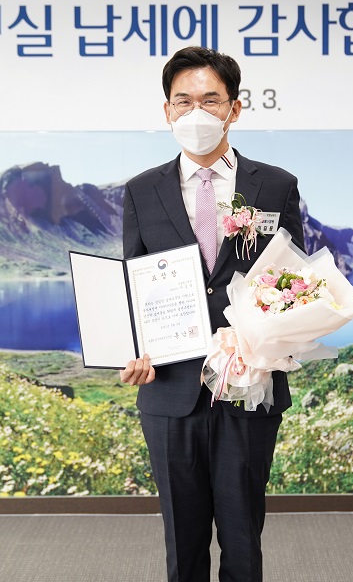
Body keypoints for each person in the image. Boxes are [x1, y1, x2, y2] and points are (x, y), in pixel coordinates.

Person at [120, 46, 305, 582]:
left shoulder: (275, 185)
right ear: (167, 111)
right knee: (182, 540)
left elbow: (292, 282)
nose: (195, 113)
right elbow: (133, 284)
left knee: (243, 536)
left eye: (210, 100)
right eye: (183, 101)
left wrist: (268, 340)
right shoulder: (141, 191)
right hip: (169, 389)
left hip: (248, 388)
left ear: (234, 108)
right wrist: (130, 349)